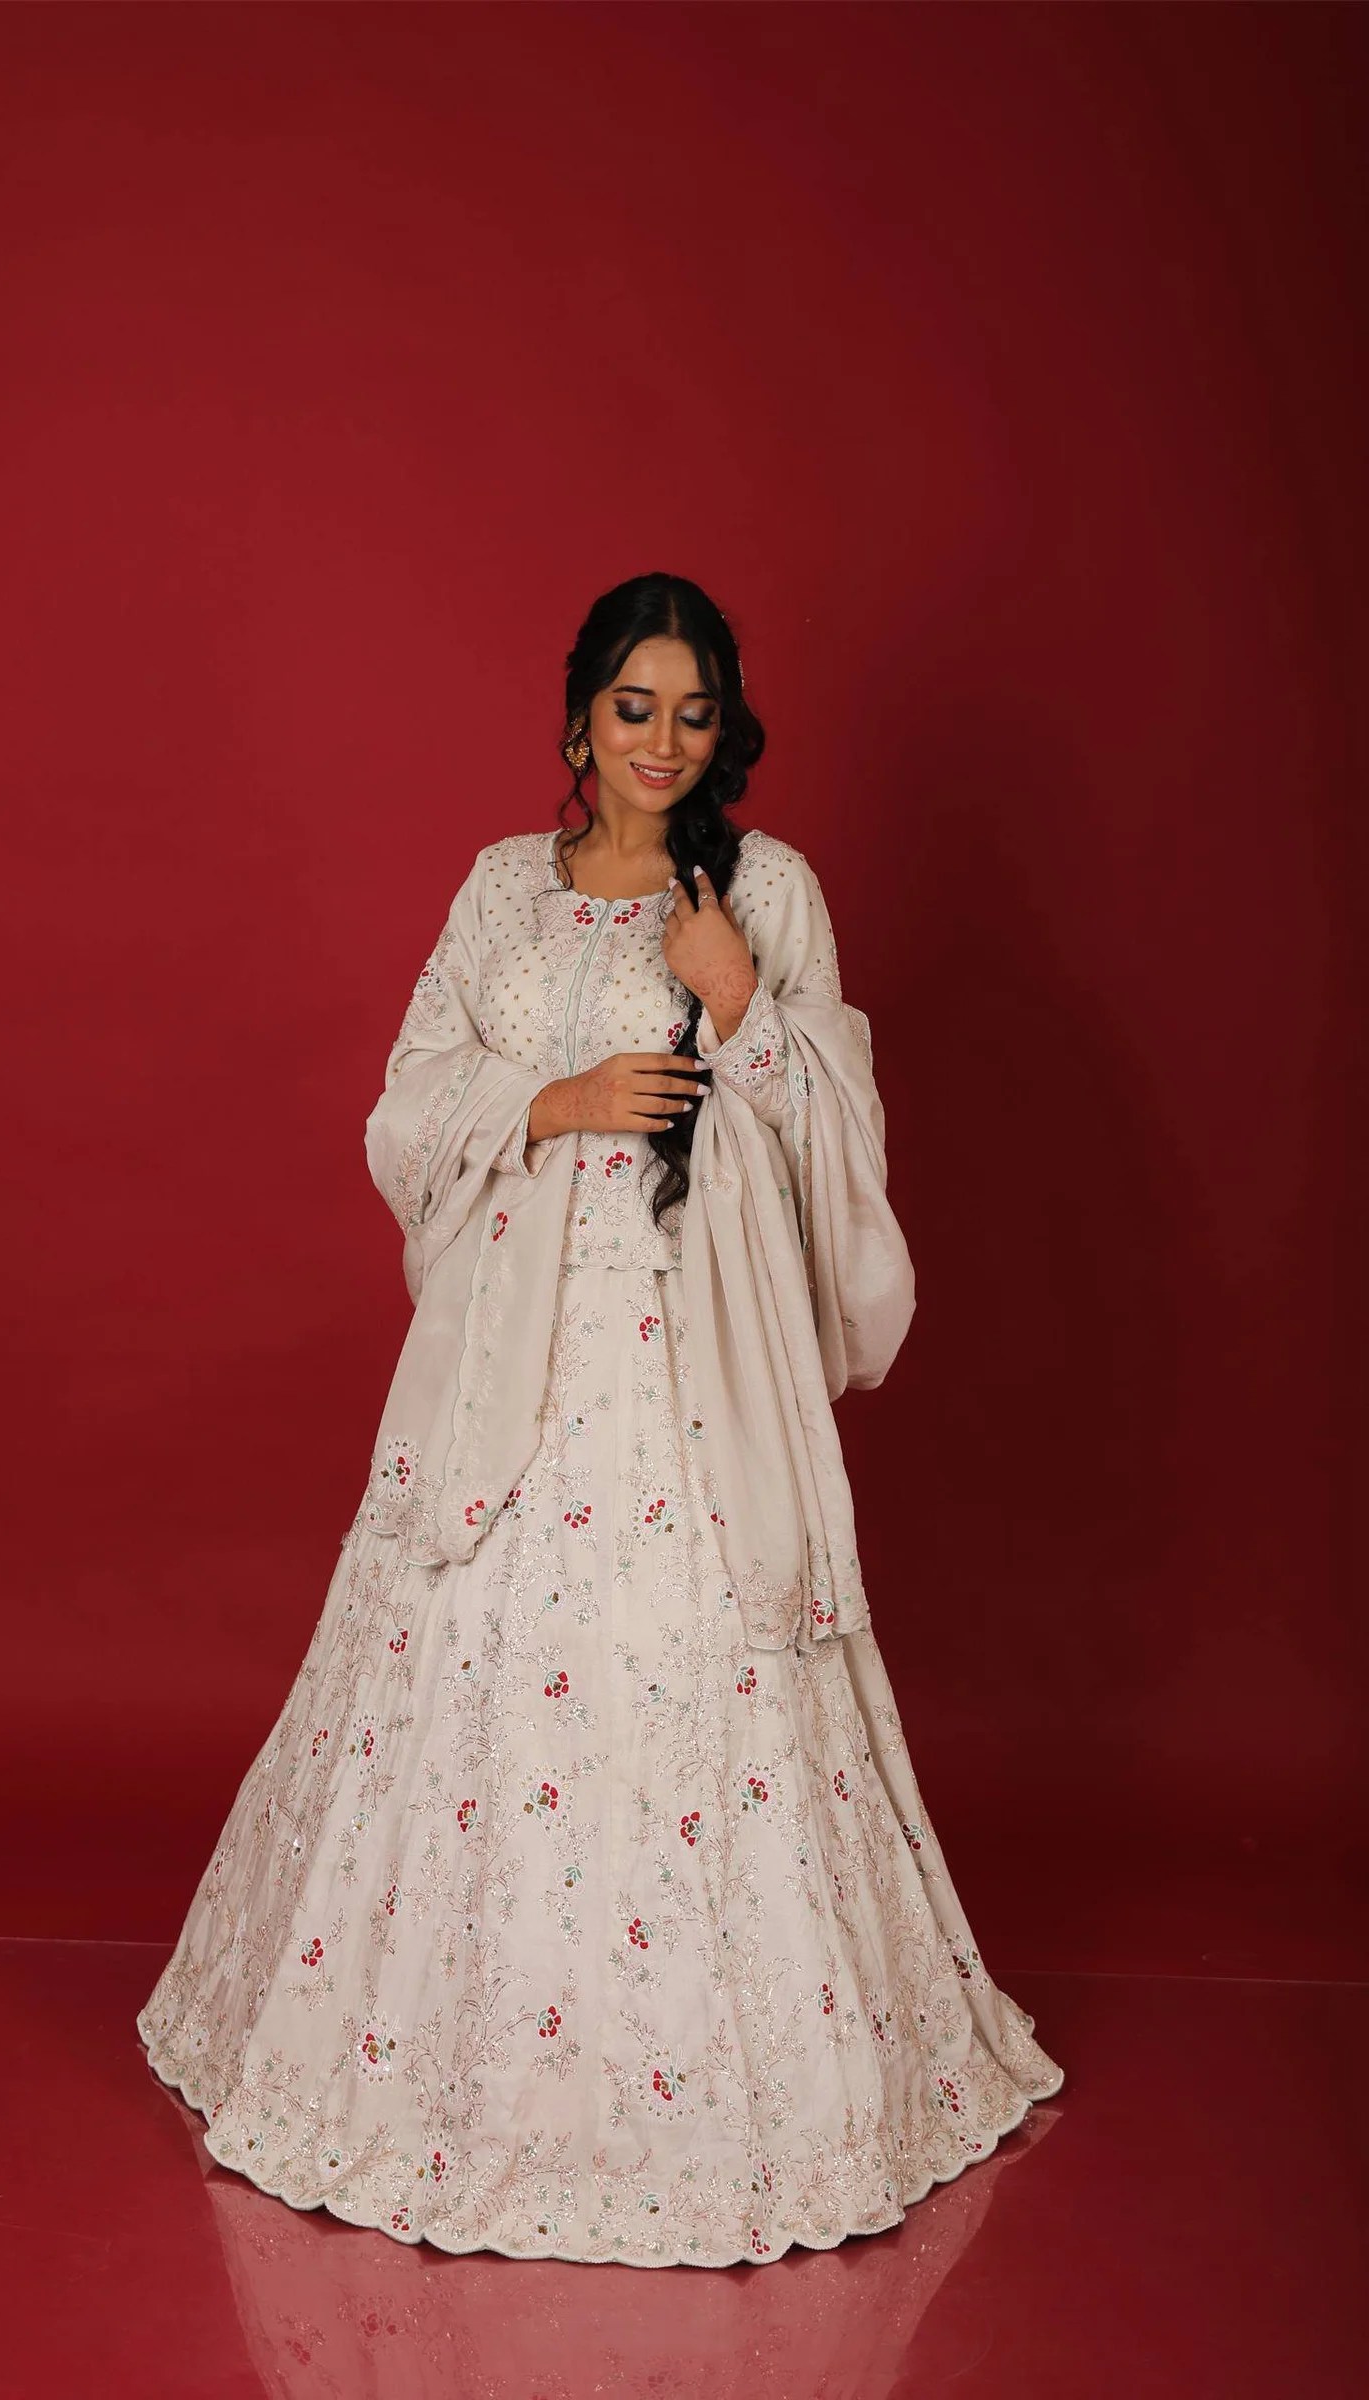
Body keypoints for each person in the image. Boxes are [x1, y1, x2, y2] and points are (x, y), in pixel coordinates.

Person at [136, 571, 1063, 2268]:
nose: (661, 740)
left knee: (698, 1656)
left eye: (693, 713)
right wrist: (556, 1099)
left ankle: (748, 2090)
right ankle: (429, 2077)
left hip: (693, 1368)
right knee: (464, 1652)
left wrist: (740, 999)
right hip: (510, 1356)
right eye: (634, 708)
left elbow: (841, 1130)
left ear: (724, 731)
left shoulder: (764, 890)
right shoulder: (503, 891)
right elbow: (409, 1105)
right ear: (579, 719)